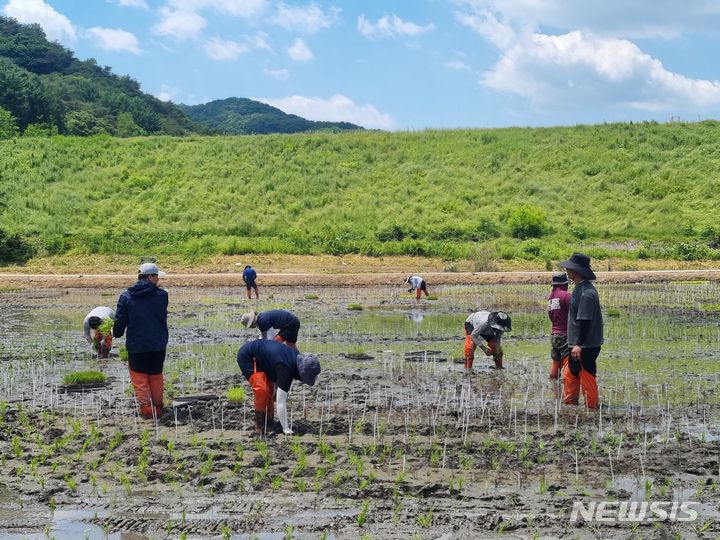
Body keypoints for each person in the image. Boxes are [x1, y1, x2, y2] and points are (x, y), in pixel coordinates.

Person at [113, 262, 169, 419]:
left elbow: (120, 324)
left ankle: (146, 409)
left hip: (137, 345)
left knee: (140, 378)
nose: (158, 279)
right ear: (150, 277)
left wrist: (116, 332)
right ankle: (158, 407)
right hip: (158, 344)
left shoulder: (126, 297)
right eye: (157, 276)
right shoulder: (162, 296)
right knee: (156, 376)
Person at [236, 339, 320, 435]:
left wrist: (276, 387)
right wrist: (286, 428)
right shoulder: (286, 368)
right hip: (249, 356)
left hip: (264, 357)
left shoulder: (294, 360)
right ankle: (260, 426)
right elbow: (280, 402)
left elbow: (276, 368)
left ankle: (269, 422)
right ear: (301, 373)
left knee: (271, 391)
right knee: (263, 390)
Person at [558, 253, 603, 410]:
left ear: (577, 272)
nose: (567, 271)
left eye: (569, 269)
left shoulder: (586, 293)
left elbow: (585, 321)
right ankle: (570, 406)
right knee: (571, 373)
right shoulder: (579, 289)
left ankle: (592, 408)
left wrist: (579, 344)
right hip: (577, 344)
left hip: (586, 345)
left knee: (587, 376)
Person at [547, 272, 571, 381]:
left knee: (556, 361)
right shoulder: (566, 296)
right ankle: (567, 386)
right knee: (568, 361)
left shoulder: (551, 298)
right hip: (565, 334)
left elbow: (551, 316)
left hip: (554, 334)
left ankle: (554, 389)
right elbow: (575, 313)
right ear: (564, 284)